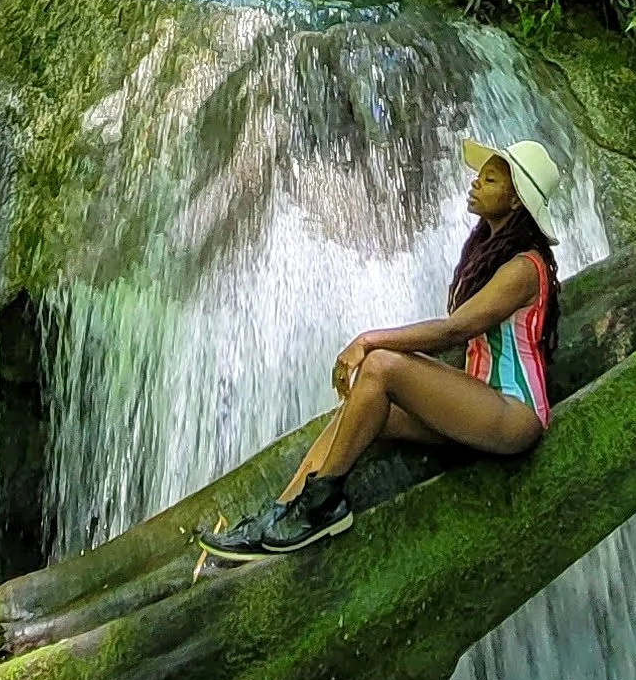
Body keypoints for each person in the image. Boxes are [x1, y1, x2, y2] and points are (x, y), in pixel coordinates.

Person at [198, 133, 563, 561]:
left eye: (491, 179)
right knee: (365, 406)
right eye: (479, 176)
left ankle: (323, 506)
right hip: (477, 405)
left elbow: (455, 330)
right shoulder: (489, 252)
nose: (475, 183)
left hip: (512, 415)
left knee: (381, 366)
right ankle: (279, 513)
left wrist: (368, 340)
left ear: (517, 201)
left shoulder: (524, 267)